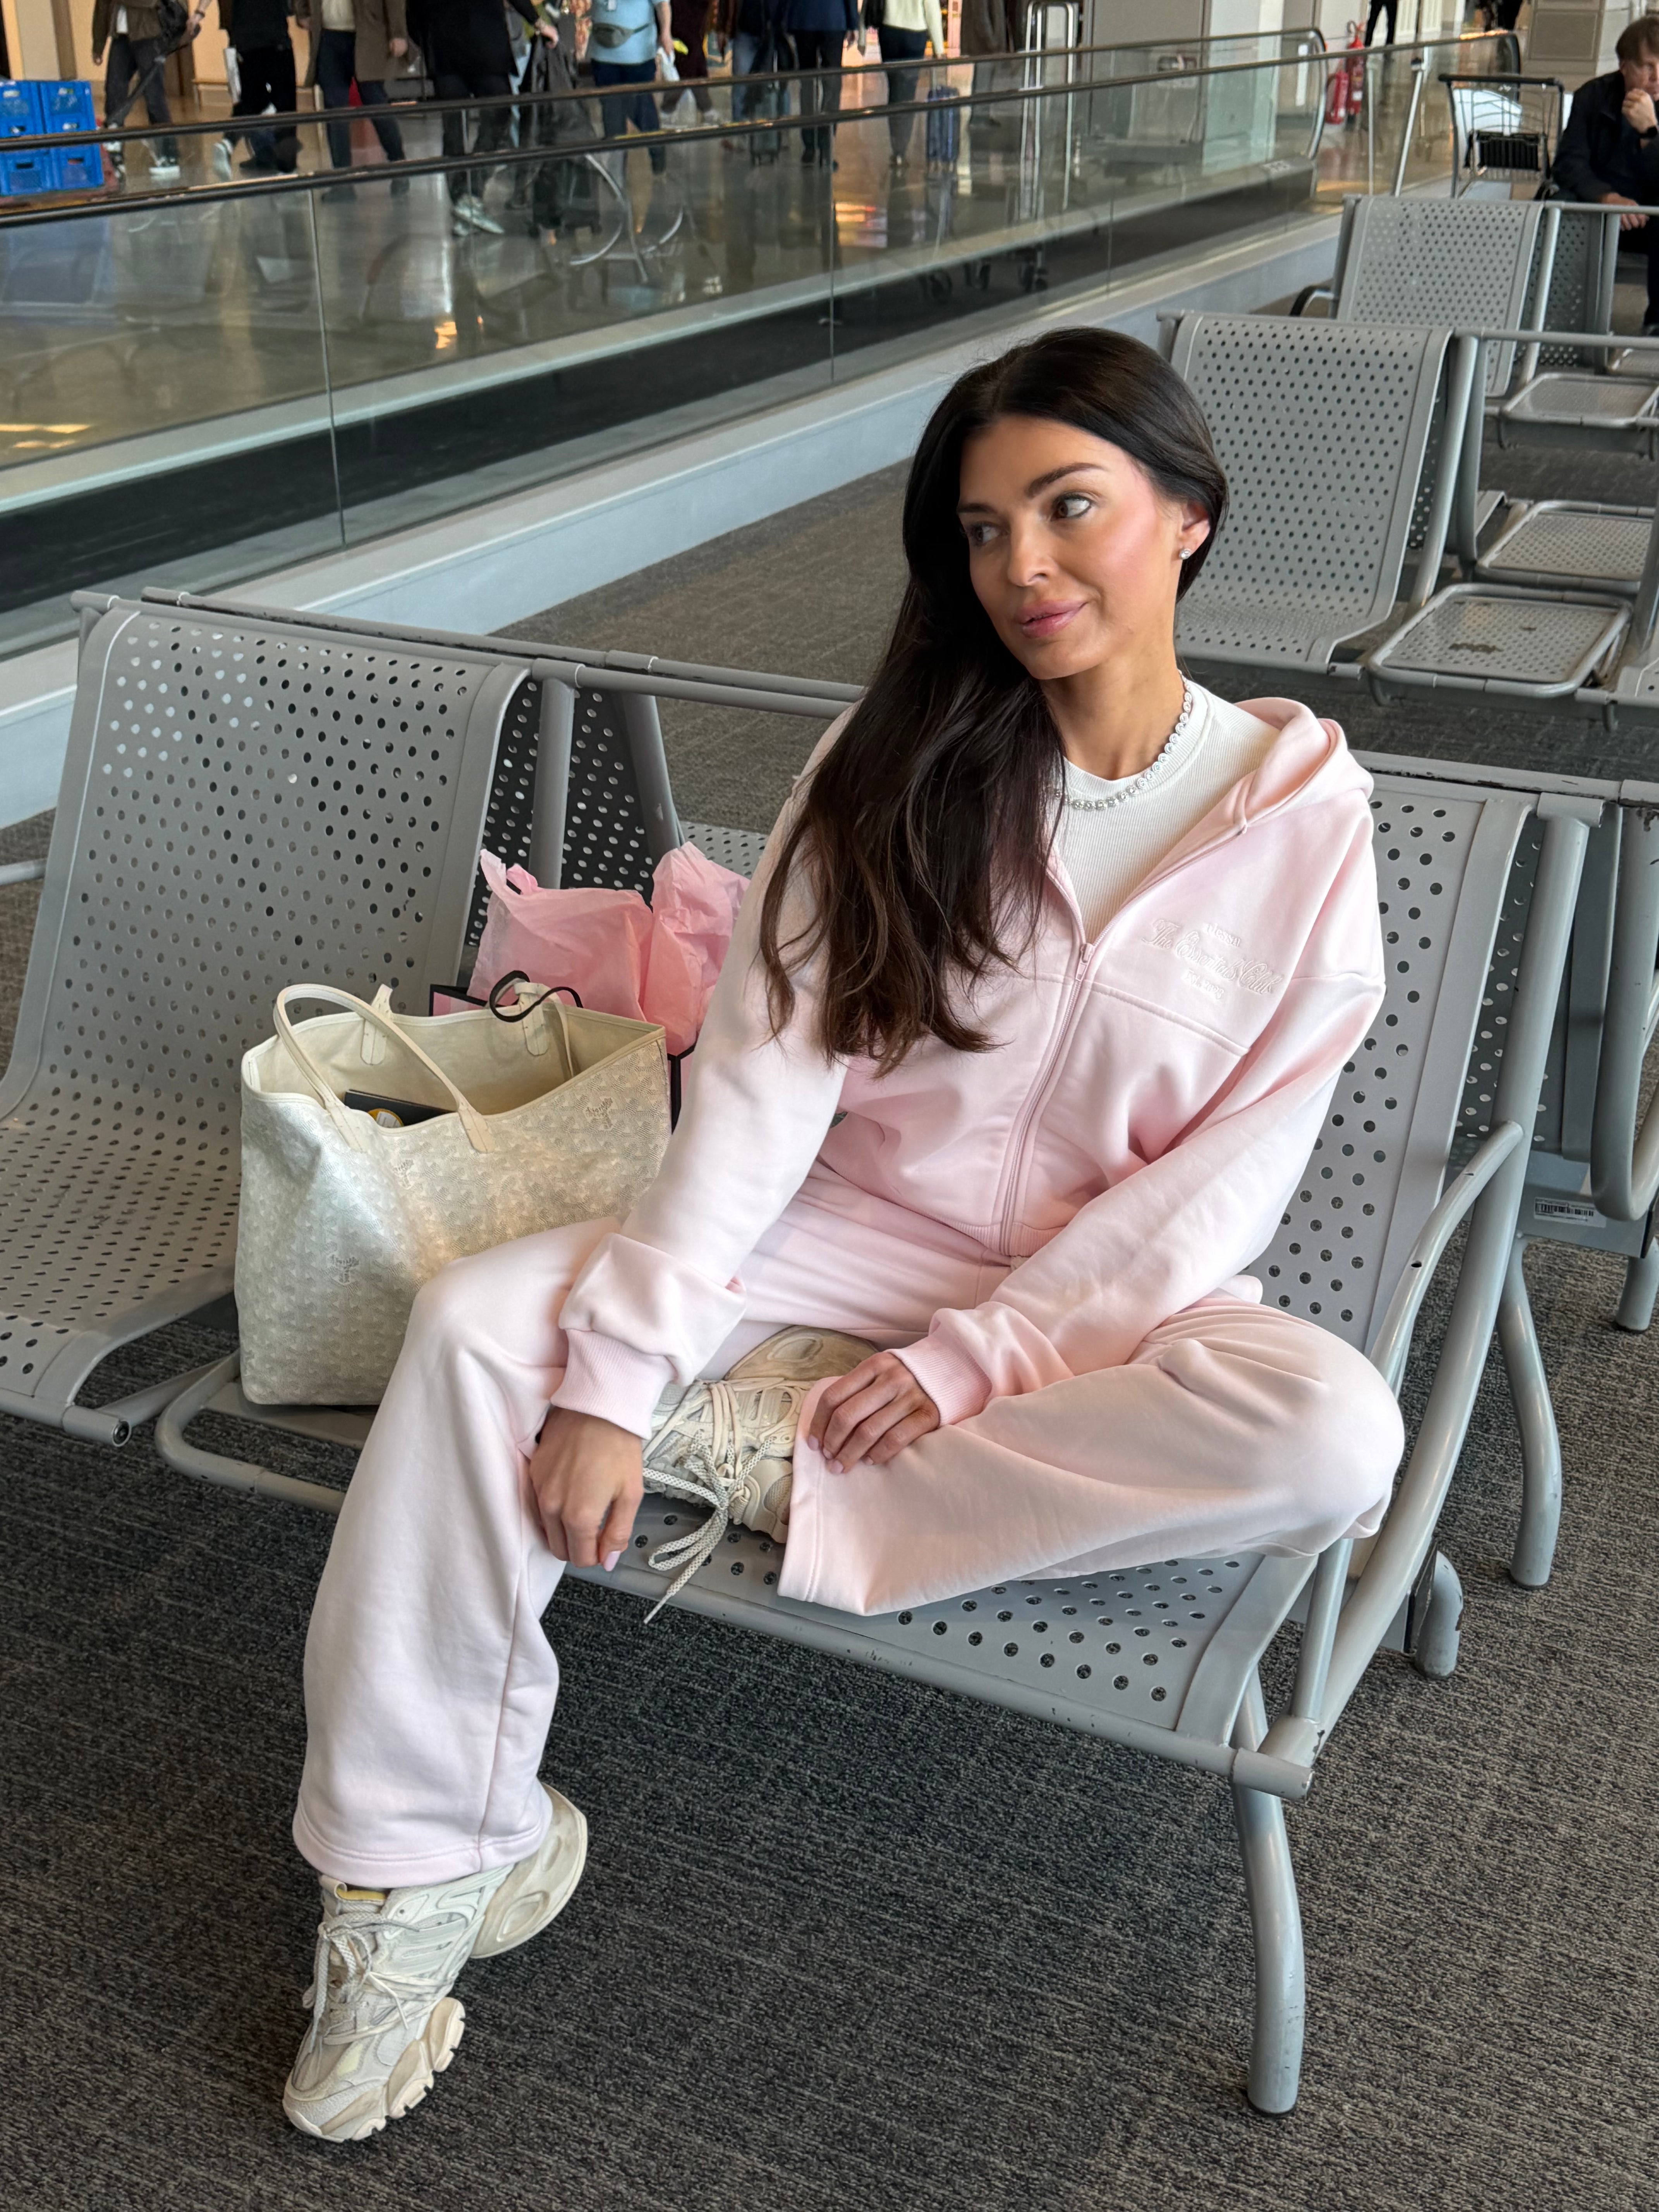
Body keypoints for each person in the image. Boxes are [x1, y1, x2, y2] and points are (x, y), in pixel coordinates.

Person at [279, 324, 1404, 2143]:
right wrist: (614, 1380)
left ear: (1188, 515)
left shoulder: (1306, 827)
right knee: (482, 1327)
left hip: (1103, 1303)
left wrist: (977, 1361)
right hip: (833, 1234)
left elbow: (1223, 1179)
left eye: (1071, 508)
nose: (1024, 566)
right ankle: (421, 1866)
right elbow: (758, 1097)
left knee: (1335, 1435)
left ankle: (776, 1453)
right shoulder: (896, 764)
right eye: (982, 529)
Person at [406, 0, 561, 230]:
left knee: (455, 128)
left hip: (445, 47)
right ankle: (472, 195)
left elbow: (413, 12)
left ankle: (463, 200)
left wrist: (428, 40)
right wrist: (539, 23)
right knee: (498, 116)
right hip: (485, 43)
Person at [1554, 14, 1659, 336]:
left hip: (1651, 215)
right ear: (1624, 66)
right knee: (1560, 206)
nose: (1657, 77)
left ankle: (1657, 321)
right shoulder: (1593, 96)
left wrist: (1651, 133)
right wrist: (1608, 198)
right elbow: (1569, 163)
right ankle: (1555, 313)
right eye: (1647, 66)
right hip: (1599, 207)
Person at [295, 0, 411, 183]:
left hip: (367, 33)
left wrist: (398, 33)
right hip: (328, 36)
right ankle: (342, 177)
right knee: (335, 106)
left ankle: (398, 164)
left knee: (374, 100)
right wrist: (302, 12)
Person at [92, 0, 201, 179]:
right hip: (120, 38)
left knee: (154, 95)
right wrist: (98, 44)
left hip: (149, 36)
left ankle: (169, 156)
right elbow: (102, 8)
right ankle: (115, 156)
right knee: (114, 91)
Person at [211, 0, 301, 173]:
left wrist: (200, 13)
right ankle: (286, 167)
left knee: (251, 99)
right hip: (275, 36)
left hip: (244, 38)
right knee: (286, 105)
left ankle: (230, 142)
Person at [587, 0, 673, 177]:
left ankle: (658, 154)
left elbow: (663, 5)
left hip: (637, 56)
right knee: (611, 113)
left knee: (642, 109)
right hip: (603, 55)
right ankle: (616, 172)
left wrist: (666, 33)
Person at [778, 0, 858, 163]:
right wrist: (853, 23)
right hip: (833, 17)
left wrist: (787, 19)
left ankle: (809, 145)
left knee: (808, 83)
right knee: (832, 85)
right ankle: (826, 146)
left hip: (803, 17)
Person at [872, 0, 942, 169]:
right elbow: (932, 10)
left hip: (889, 31)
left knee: (894, 91)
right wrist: (939, 48)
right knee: (908, 93)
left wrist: (862, 35)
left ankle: (897, 147)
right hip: (915, 34)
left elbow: (871, 4)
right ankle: (901, 149)